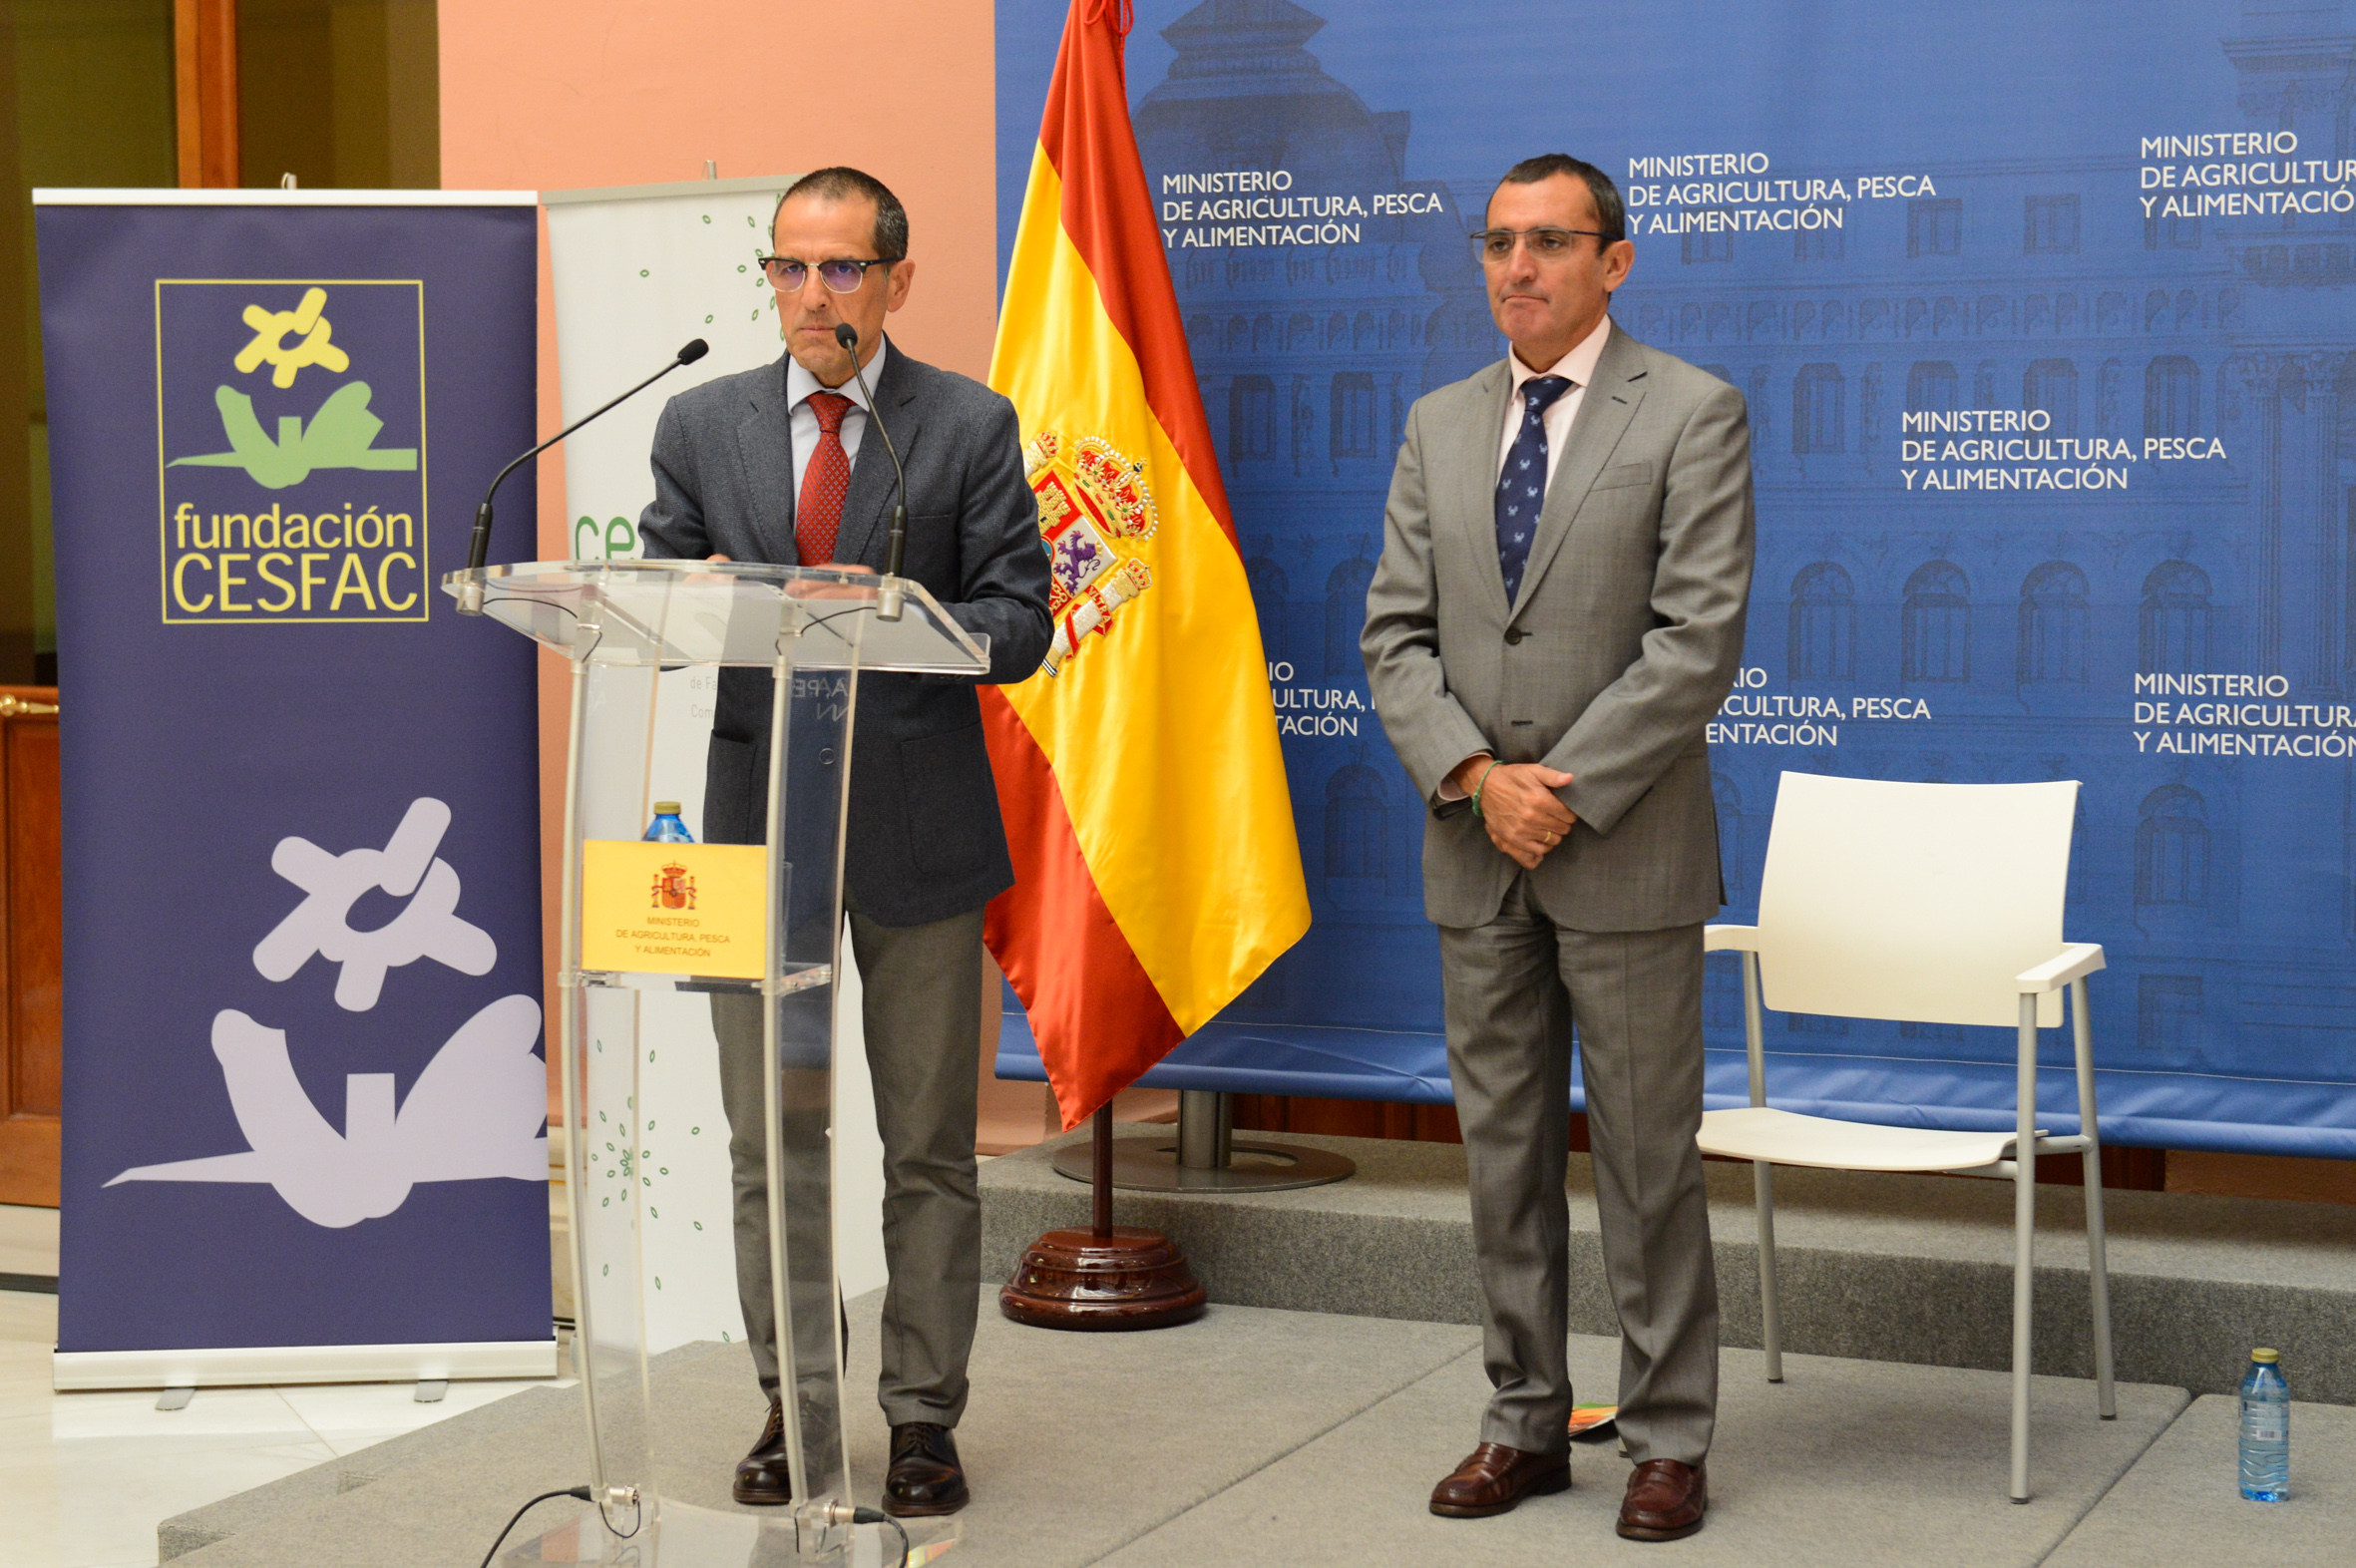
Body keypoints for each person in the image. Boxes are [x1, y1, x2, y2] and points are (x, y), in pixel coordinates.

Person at [639, 166, 1052, 1518]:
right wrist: (696, 594)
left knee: (928, 1148)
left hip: (919, 834)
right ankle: (794, 1405)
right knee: (771, 1147)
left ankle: (923, 1418)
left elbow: (1021, 622)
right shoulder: (701, 422)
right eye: (790, 268)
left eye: (840, 269)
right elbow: (660, 590)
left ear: (895, 281)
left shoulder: (965, 424)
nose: (812, 295)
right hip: (758, 836)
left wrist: (904, 617)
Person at [1361, 153, 1754, 1543]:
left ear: (1614, 261)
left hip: (1623, 851)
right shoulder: (1438, 422)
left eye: (1548, 241)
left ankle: (1667, 1438)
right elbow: (1393, 634)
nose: (1516, 267)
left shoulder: (1692, 410)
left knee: (1647, 1161)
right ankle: (1522, 1420)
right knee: (1502, 1158)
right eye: (1497, 243)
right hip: (1478, 849)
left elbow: (1695, 640)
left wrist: (1558, 792)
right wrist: (1478, 777)